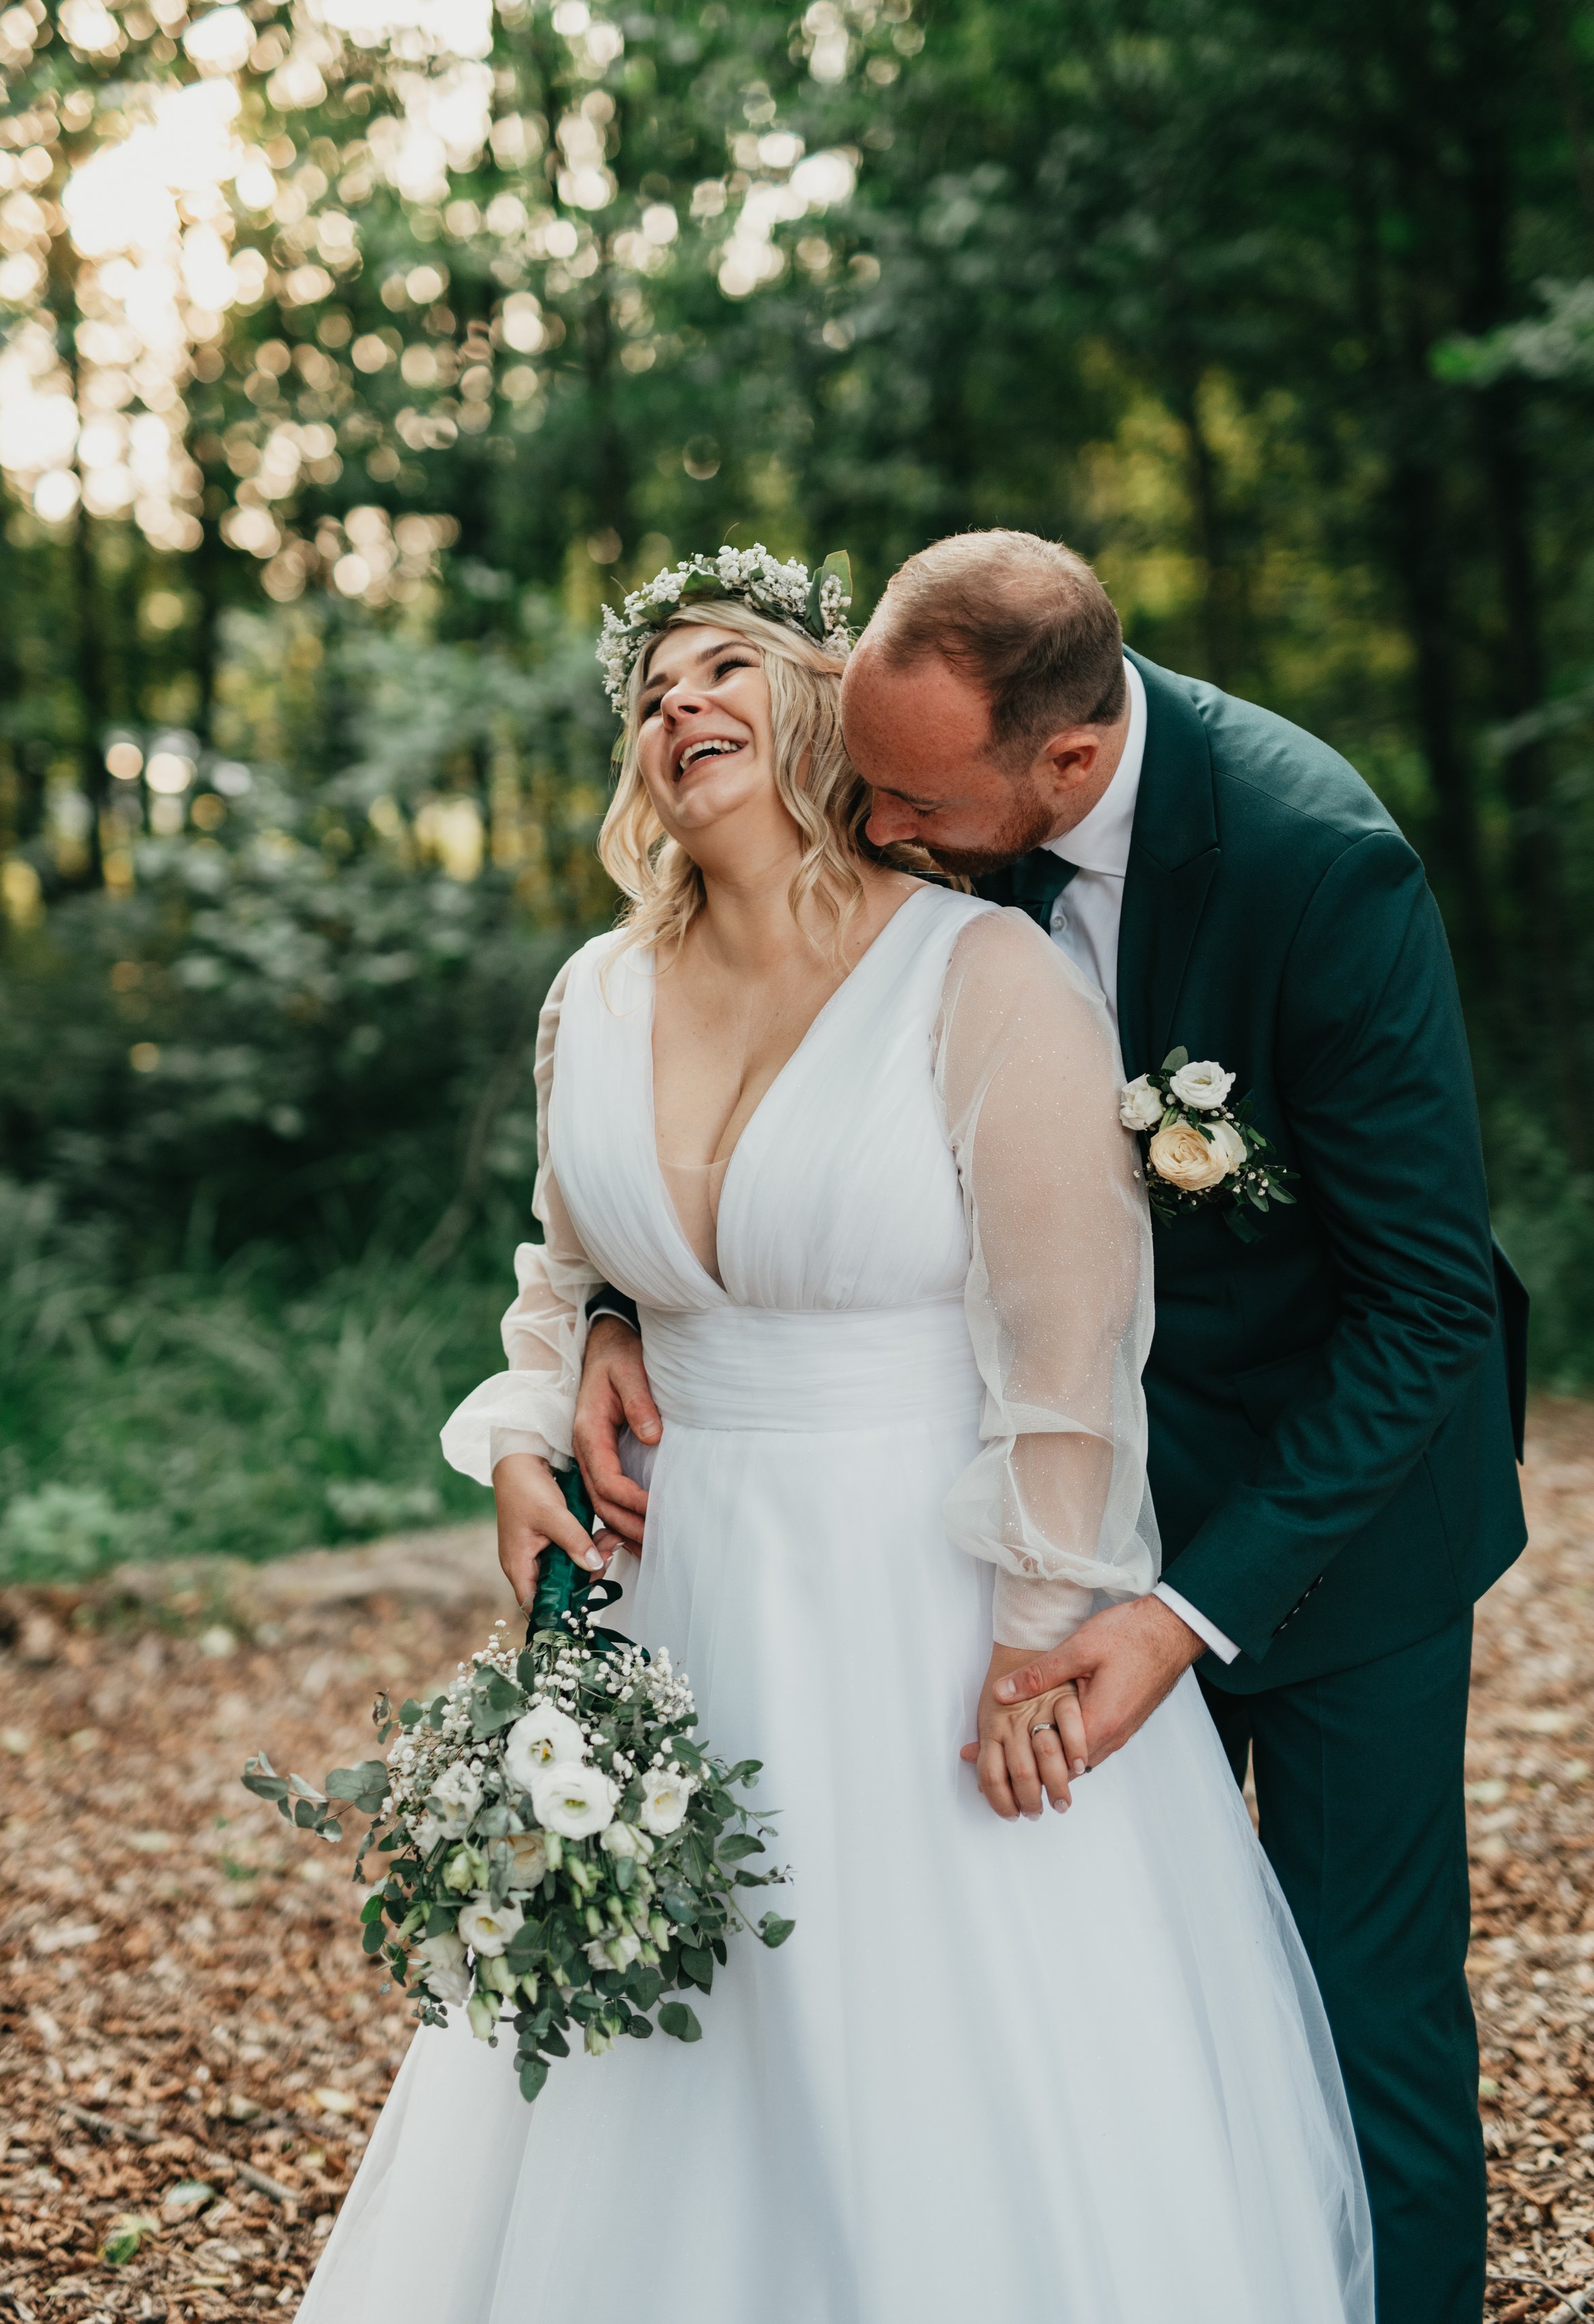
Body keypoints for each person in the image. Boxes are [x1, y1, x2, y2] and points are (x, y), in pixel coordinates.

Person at [297, 545, 1372, 2324]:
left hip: (931, 1597)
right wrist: (515, 1440)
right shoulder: (594, 995)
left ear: (817, 703)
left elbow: (1069, 1346)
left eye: (718, 665)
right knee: (675, 2040)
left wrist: (1044, 1624)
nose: (674, 703)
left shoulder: (981, 976)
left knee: (946, 2058)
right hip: (682, 1595)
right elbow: (559, 1283)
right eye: (647, 695)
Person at [576, 530, 1527, 2324]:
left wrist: (1182, 1609)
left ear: (1066, 766)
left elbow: (1427, 1314)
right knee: (1102, 2018)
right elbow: (766, 1107)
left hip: (1325, 1521)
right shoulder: (934, 767)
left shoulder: (1316, 869)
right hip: (1020, 1518)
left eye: (903, 799)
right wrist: (623, 1309)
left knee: (1354, 2011)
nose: (862, 821)